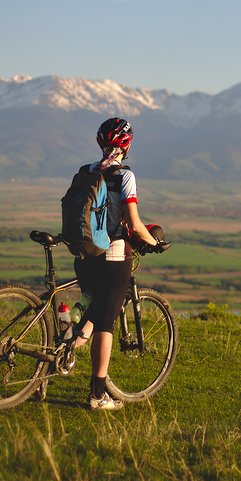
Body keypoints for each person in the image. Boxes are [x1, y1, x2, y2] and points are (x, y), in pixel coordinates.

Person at [70, 117, 163, 410]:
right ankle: (98, 395)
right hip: (112, 256)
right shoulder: (124, 175)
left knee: (92, 311)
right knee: (106, 323)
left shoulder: (87, 171)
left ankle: (57, 355)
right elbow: (134, 224)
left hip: (84, 255)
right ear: (127, 144)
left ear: (100, 142)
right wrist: (154, 243)